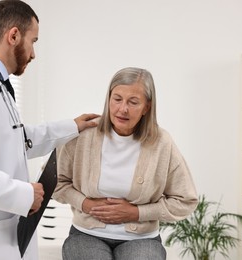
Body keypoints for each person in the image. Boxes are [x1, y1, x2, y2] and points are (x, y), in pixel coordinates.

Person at [0, 1, 99, 260]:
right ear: (13, 36)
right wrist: (23, 194)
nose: (34, 53)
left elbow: (16, 138)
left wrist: (72, 126)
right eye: (33, 41)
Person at [52, 67, 198, 260]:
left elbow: (186, 200)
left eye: (133, 102)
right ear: (109, 99)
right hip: (86, 234)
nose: (123, 109)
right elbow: (55, 182)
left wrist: (137, 213)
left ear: (147, 107)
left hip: (141, 239)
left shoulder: (162, 142)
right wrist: (84, 204)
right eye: (117, 99)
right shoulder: (84, 134)